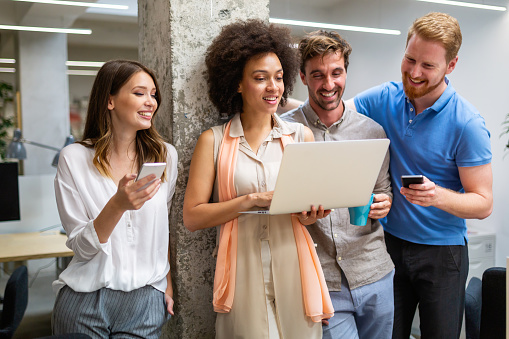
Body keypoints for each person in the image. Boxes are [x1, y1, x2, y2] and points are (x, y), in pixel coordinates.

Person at [183, 19, 334, 339]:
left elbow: (305, 211)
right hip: (241, 268)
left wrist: (311, 215)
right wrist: (251, 201)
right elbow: (192, 216)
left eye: (279, 78)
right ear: (237, 83)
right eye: (260, 78)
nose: (273, 87)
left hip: (294, 261)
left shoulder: (300, 136)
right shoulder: (213, 141)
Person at [348, 12, 493, 339]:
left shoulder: (467, 124)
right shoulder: (385, 98)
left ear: (451, 66)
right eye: (410, 59)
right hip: (389, 247)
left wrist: (437, 195)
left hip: (442, 255)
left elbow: (484, 203)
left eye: (427, 66)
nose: (414, 73)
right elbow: (333, 116)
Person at [280, 30, 395, 339]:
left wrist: (384, 203)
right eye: (317, 75)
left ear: (345, 71)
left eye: (336, 73)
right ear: (303, 77)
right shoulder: (284, 132)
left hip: (374, 273)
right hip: (321, 279)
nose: (329, 85)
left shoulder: (371, 132)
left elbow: (383, 192)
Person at [52, 60, 177, 338]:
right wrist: (117, 205)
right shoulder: (73, 159)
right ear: (110, 100)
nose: (150, 102)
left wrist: (166, 284)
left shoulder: (165, 156)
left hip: (144, 301)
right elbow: (81, 248)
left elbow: (162, 230)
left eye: (153, 94)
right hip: (84, 301)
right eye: (139, 93)